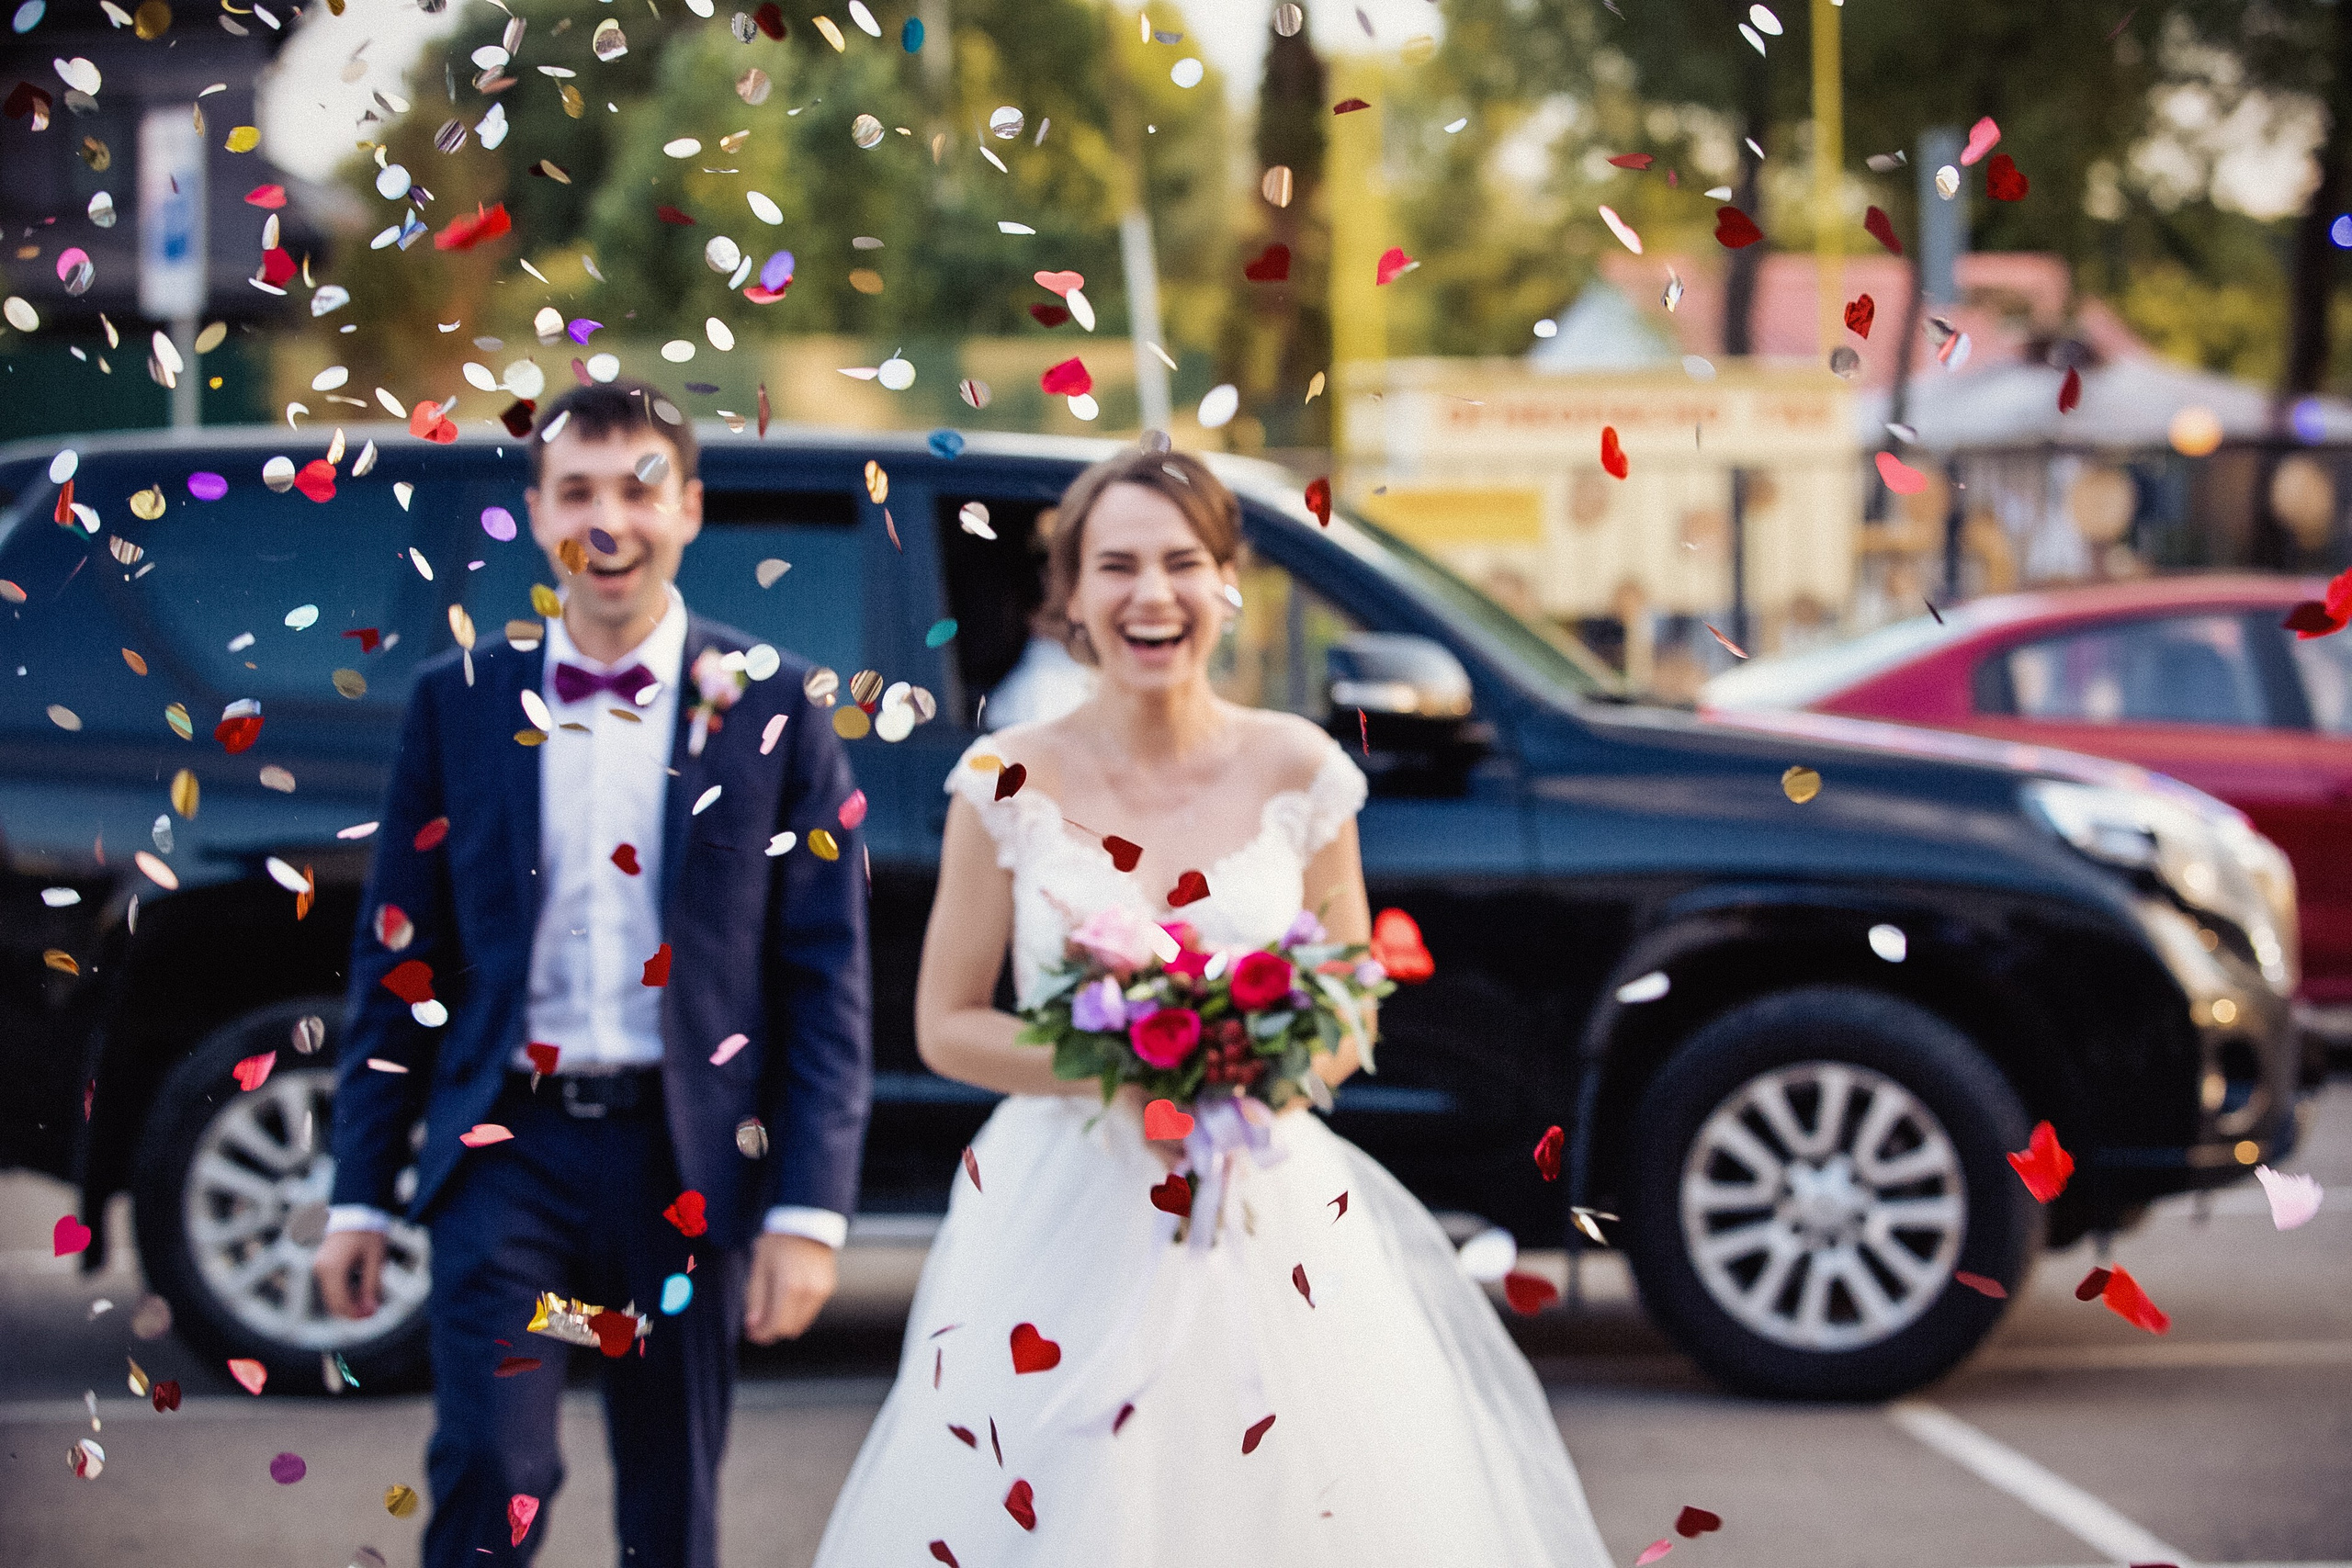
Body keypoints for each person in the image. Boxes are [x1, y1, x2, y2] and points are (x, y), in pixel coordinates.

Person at [812, 449, 1611, 1564]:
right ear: (1073, 598)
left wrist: (1261, 1059)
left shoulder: (1300, 769)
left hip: (1264, 1211)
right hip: (1060, 1213)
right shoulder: (1005, 779)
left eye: (1183, 562)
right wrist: (1131, 1064)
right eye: (1118, 566)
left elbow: (1349, 1007)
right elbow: (947, 1024)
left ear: (1227, 583)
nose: (1153, 594)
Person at [312, 379, 872, 1568]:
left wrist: (811, 1208)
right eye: (577, 491)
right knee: (497, 1462)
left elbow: (826, 975)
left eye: (639, 489)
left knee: (671, 1489)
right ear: (537, 511)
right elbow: (396, 955)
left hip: (684, 1158)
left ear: (691, 511)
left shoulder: (773, 704)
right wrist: (359, 1188)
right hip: (505, 1155)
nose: (608, 518)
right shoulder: (456, 702)